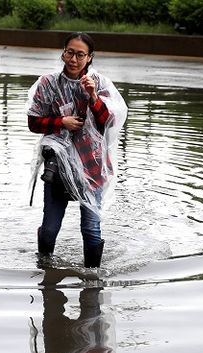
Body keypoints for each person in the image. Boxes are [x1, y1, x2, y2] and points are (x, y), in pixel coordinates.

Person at [27, 32, 128, 268]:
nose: (73, 59)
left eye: (80, 54)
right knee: (50, 228)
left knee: (91, 229)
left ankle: (92, 281)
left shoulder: (100, 84)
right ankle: (45, 272)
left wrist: (93, 96)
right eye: (70, 52)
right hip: (58, 166)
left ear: (90, 57)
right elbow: (33, 122)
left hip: (92, 166)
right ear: (63, 52)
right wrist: (61, 122)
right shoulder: (48, 83)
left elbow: (108, 122)